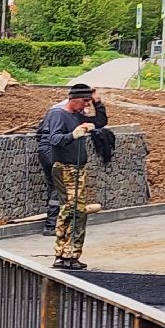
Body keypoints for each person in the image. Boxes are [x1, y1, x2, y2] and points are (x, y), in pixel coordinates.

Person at [37, 83, 108, 270]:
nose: (86, 105)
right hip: (64, 167)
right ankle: (62, 254)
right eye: (84, 101)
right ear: (74, 99)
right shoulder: (58, 114)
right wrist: (73, 135)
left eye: (88, 101)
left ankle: (72, 254)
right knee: (70, 209)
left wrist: (98, 103)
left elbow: (101, 122)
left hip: (78, 168)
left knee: (78, 212)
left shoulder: (77, 115)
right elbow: (54, 139)